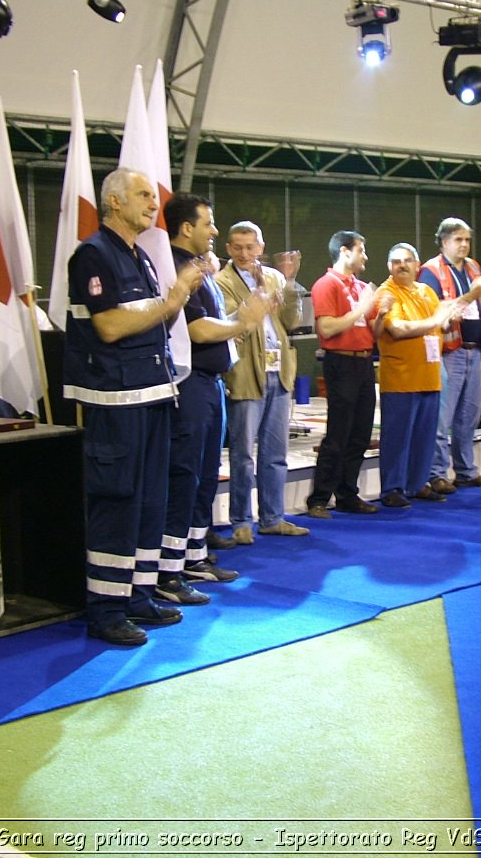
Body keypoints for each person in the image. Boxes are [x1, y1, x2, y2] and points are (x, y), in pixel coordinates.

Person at [63, 167, 202, 646]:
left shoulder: (139, 256)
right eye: (143, 194)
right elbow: (111, 325)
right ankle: (105, 608)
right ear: (115, 202)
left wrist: (167, 305)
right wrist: (173, 299)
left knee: (149, 500)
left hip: (152, 393)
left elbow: (151, 324)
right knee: (116, 500)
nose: (152, 201)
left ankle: (138, 594)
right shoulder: (92, 255)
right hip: (116, 401)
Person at [158, 194, 270, 605]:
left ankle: (194, 555)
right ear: (187, 227)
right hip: (189, 384)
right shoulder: (175, 267)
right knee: (184, 474)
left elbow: (215, 327)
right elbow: (196, 330)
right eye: (209, 223)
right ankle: (169, 570)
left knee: (204, 475)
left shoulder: (198, 269)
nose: (215, 231)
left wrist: (238, 324)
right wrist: (243, 320)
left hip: (210, 383)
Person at [216, 221, 310, 544]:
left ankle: (273, 517)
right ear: (228, 249)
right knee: (242, 454)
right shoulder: (222, 281)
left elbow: (292, 321)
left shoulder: (274, 277)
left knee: (276, 452)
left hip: (279, 371)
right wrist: (258, 297)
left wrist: (291, 283)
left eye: (250, 247)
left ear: (260, 247)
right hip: (245, 372)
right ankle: (242, 522)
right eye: (238, 247)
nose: (244, 253)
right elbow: (232, 324)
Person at [373, 242, 464, 508]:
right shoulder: (386, 292)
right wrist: (436, 321)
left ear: (417, 265)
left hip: (430, 374)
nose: (402, 265)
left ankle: (417, 484)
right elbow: (399, 329)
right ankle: (391, 488)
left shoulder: (426, 291)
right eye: (396, 261)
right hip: (401, 378)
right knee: (397, 437)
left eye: (407, 260)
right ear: (389, 267)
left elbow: (440, 325)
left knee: (425, 436)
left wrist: (450, 318)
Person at [306, 231, 380, 518]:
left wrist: (381, 312)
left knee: (361, 433)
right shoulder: (326, 285)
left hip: (364, 363)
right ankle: (319, 498)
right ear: (345, 252)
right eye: (361, 250)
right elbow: (326, 328)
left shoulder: (361, 286)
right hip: (341, 362)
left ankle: (348, 493)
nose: (365, 257)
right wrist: (362, 308)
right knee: (338, 433)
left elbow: (372, 331)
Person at [419, 217, 481, 492]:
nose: (464, 245)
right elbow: (437, 311)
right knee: (444, 417)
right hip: (449, 350)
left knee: (470, 415)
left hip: (475, 349)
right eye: (458, 240)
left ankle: (466, 470)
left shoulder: (473, 266)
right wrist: (472, 295)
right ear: (443, 242)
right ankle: (437, 473)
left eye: (467, 240)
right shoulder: (430, 271)